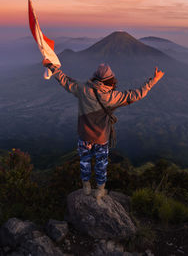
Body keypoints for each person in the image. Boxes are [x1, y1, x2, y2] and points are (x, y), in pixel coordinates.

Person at [42, 59, 164, 202]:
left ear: (95, 77)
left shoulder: (83, 89)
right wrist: (154, 80)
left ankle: (86, 187)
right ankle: (100, 190)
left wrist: (51, 66)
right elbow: (136, 94)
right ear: (110, 80)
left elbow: (65, 80)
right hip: (101, 138)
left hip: (84, 136)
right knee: (101, 165)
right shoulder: (112, 97)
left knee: (85, 162)